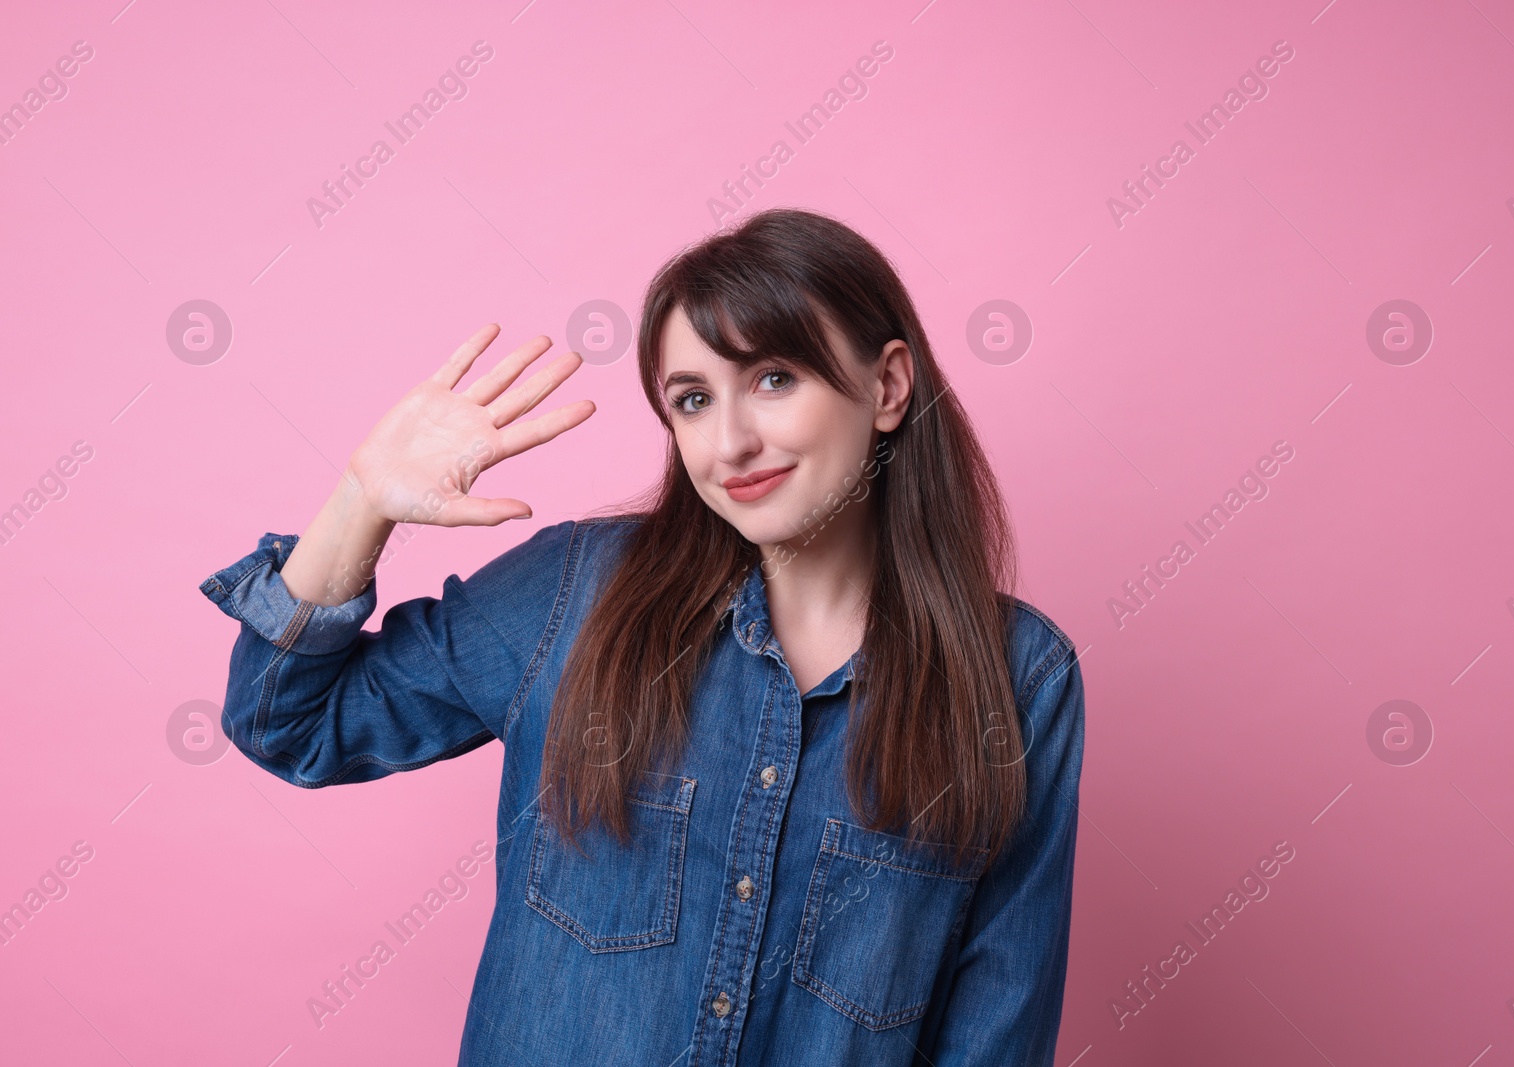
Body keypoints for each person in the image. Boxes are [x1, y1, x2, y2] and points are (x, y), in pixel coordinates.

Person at [198, 207, 1086, 1066]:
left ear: (887, 387)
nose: (731, 441)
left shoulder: (1019, 681)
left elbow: (994, 1033)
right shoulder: (575, 593)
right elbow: (288, 723)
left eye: (775, 378)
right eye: (693, 399)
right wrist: (362, 500)